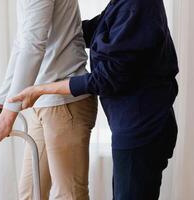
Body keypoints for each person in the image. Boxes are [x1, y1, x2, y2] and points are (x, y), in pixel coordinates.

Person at [10, 0, 179, 199]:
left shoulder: (137, 5)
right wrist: (56, 24)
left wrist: (42, 90)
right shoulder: (121, 4)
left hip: (142, 126)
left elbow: (106, 79)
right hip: (134, 123)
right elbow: (94, 31)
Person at [0, 0, 98, 199]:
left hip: (65, 103)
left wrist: (7, 118)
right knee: (31, 192)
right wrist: (4, 98)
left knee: (69, 195)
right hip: (42, 102)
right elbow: (22, 42)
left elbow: (33, 46)